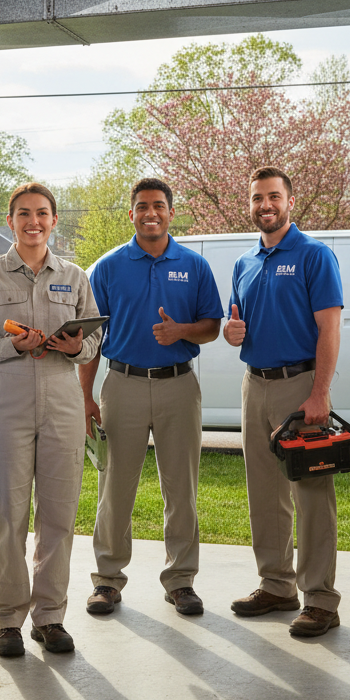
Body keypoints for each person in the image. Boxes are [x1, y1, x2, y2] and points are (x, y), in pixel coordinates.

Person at [0, 183, 102, 656]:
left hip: (62, 402)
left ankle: (50, 617)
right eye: (23, 214)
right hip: (7, 403)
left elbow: (95, 340)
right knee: (7, 515)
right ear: (12, 219)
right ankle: (6, 620)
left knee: (58, 515)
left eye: (42, 213)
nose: (33, 221)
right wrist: (8, 345)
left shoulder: (75, 276)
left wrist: (76, 346)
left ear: (54, 221)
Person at [79, 178, 223, 617]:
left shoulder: (194, 266)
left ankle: (180, 581)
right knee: (114, 486)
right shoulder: (107, 267)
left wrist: (181, 331)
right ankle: (107, 580)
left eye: (158, 206)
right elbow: (90, 337)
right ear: (131, 214)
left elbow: (212, 326)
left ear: (170, 212)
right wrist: (85, 396)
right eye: (142, 206)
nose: (150, 213)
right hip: (121, 384)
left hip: (179, 384)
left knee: (182, 487)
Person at [223, 167, 344, 637]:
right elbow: (237, 325)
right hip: (254, 384)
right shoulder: (244, 263)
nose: (265, 205)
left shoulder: (315, 256)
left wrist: (320, 392)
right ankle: (277, 585)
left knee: (312, 494)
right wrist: (233, 333)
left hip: (301, 385)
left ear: (290, 202)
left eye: (273, 196)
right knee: (265, 493)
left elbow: (330, 329)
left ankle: (320, 599)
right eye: (257, 198)